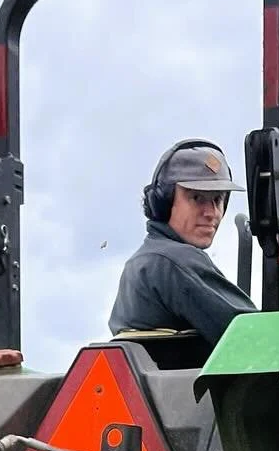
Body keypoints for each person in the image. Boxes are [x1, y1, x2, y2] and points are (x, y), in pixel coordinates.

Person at [108, 140, 255, 355]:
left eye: (218, 199)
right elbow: (253, 339)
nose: (212, 213)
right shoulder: (174, 262)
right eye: (197, 198)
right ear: (163, 202)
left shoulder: (144, 261)